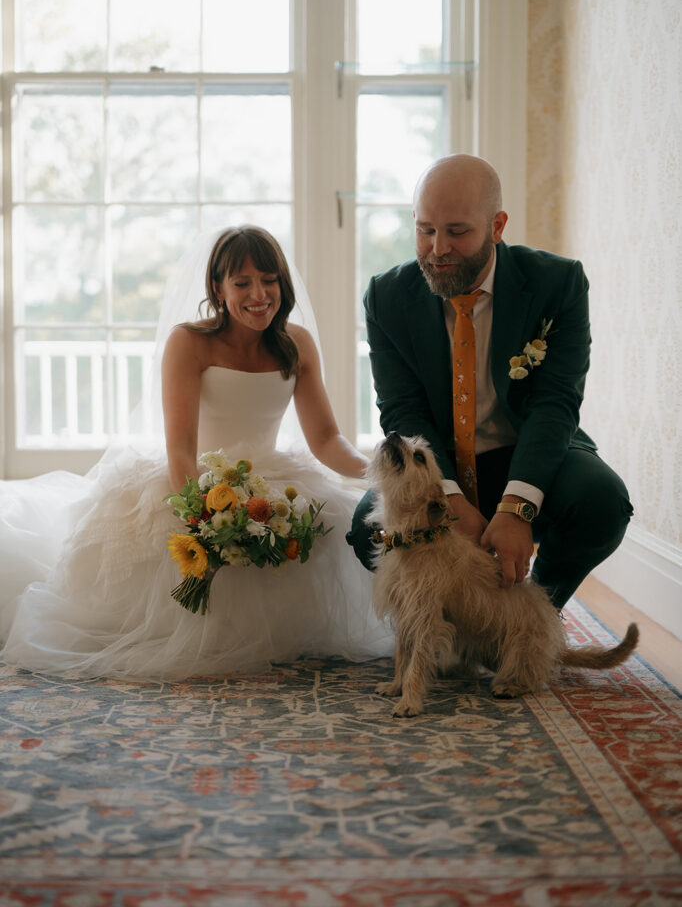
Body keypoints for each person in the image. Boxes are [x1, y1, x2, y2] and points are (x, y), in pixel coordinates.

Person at [1, 226, 393, 679]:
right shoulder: (189, 342)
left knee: (327, 527)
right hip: (196, 478)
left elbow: (325, 440)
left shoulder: (296, 344)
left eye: (268, 280)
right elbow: (182, 448)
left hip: (272, 481)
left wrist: (377, 474)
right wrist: (202, 516)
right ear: (217, 289)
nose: (258, 294)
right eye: (242, 283)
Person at [346, 154, 632, 609]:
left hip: (527, 451)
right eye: (425, 230)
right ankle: (452, 622)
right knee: (368, 528)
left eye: (457, 231)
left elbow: (555, 402)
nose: (437, 248)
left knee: (602, 503)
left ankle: (530, 621)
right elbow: (403, 410)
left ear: (497, 227)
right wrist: (448, 499)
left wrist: (518, 507)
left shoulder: (557, 283)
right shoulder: (387, 296)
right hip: (439, 459)